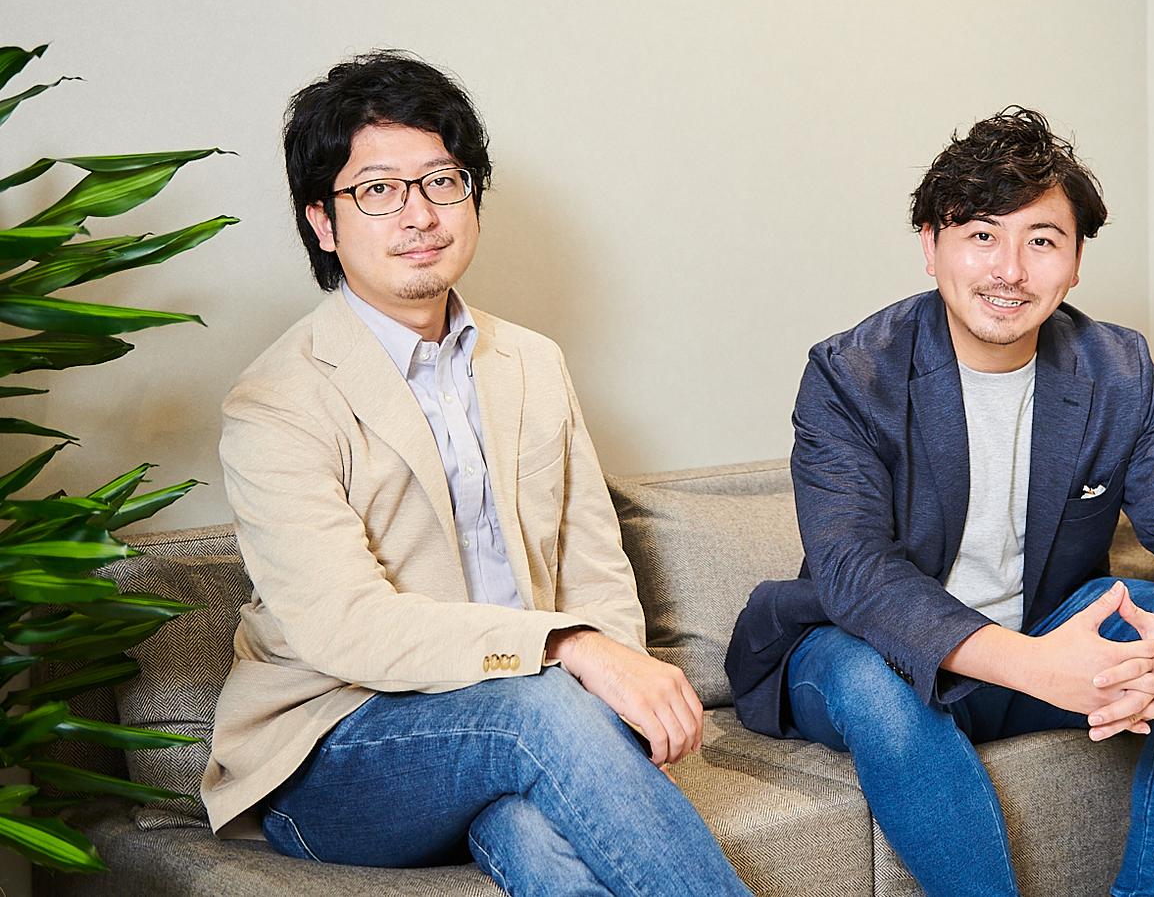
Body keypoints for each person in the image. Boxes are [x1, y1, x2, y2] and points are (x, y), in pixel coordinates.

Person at [201, 51, 750, 896]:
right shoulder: (277, 400)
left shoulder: (531, 362)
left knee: (532, 828)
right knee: (540, 710)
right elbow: (346, 626)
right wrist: (569, 649)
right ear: (323, 222)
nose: (419, 214)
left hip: (509, 730)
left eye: (442, 182)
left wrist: (615, 681)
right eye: (378, 190)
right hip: (332, 750)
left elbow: (593, 566)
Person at [726, 107, 1154, 897]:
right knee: (869, 680)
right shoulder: (852, 374)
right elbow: (855, 571)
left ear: (1076, 261)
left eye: (1041, 241)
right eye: (981, 234)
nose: (1010, 270)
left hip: (1044, 636)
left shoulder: (1117, 368)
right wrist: (1037, 666)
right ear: (930, 246)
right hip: (873, 654)